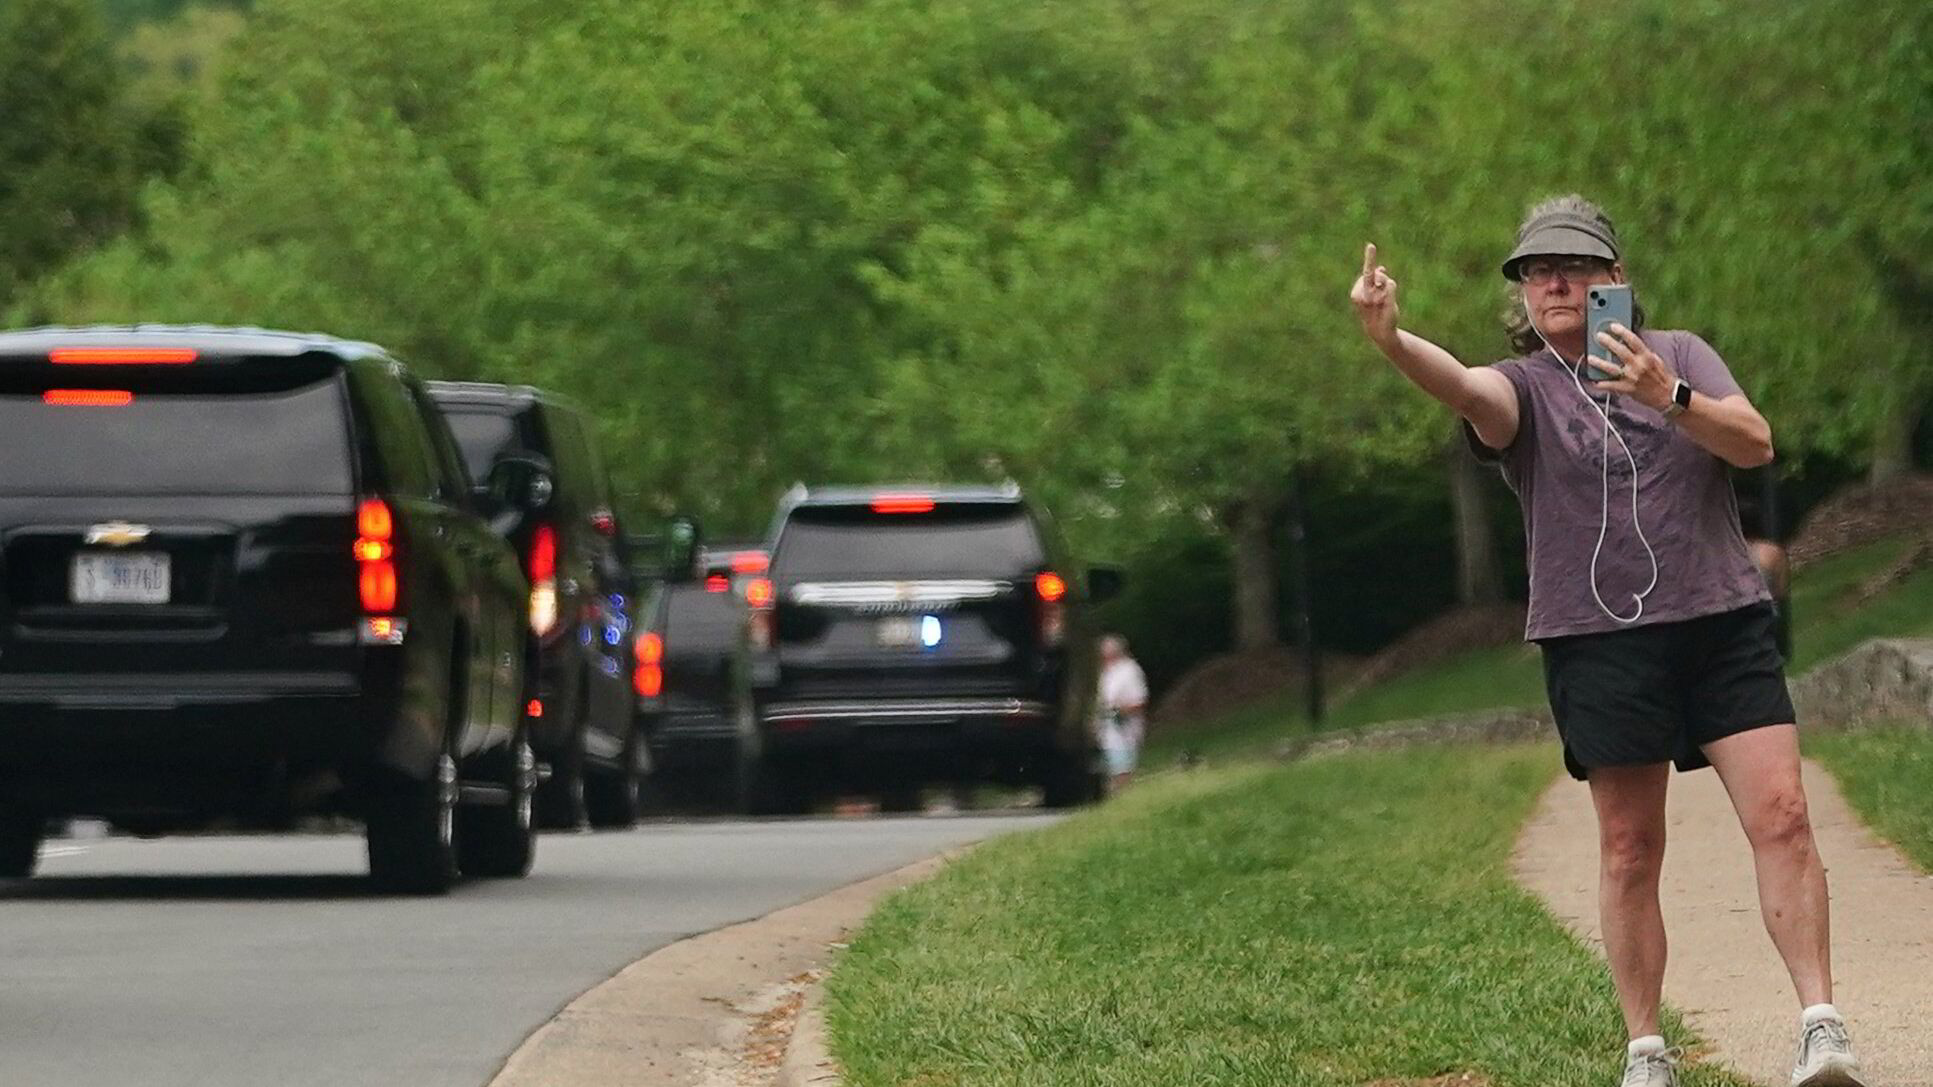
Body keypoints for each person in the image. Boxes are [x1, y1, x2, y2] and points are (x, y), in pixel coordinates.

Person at [1349, 195, 1866, 1087]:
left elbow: (1754, 444)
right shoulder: (1524, 388)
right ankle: (1646, 1048)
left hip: (1719, 619)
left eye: (1575, 266)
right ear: (1522, 293)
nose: (1554, 281)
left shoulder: (1681, 355)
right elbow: (1464, 389)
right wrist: (1393, 341)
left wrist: (1667, 396)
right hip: (1598, 639)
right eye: (1536, 271)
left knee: (1781, 813)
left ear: (1613, 280)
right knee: (1629, 846)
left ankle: (1820, 1026)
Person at [1095, 634, 1149, 791]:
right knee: (1108, 766)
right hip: (1105, 729)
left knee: (1122, 765)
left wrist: (1119, 711)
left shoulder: (1129, 670)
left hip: (1124, 729)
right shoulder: (1105, 672)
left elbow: (1139, 700)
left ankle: (1124, 792)